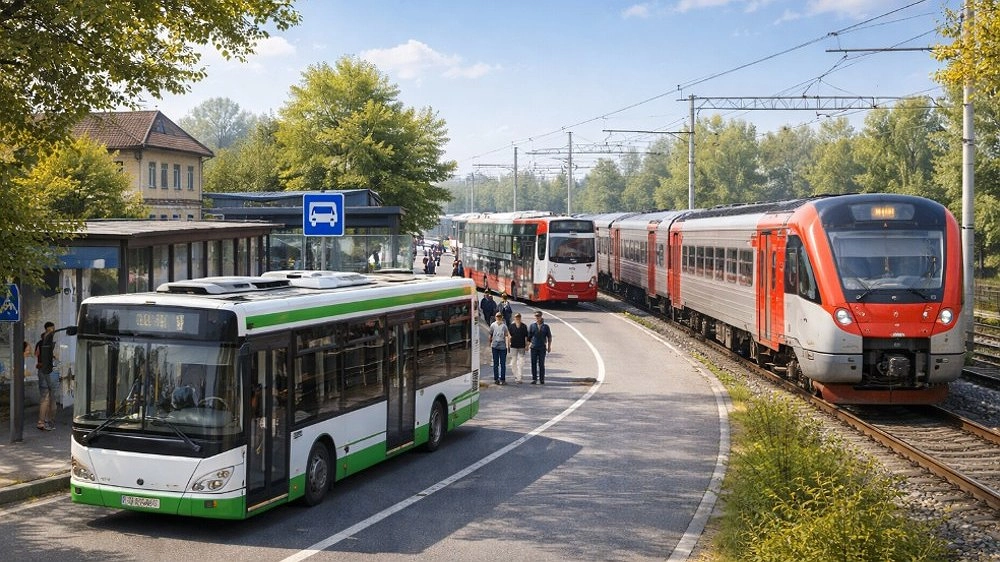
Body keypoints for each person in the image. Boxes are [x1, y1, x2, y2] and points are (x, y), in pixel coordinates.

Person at [35, 322, 58, 430]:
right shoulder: (53, 344)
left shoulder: (39, 343)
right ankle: (50, 422)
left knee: (44, 397)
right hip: (51, 371)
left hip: (41, 370)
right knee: (52, 397)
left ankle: (41, 422)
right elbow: (56, 358)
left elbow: (36, 354)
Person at [529, 311, 552, 385]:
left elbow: (549, 337)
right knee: (533, 363)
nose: (537, 317)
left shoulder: (545, 326)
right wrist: (527, 345)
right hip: (534, 347)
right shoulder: (532, 326)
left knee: (541, 363)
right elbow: (529, 336)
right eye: (536, 316)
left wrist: (549, 346)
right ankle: (534, 378)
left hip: (542, 347)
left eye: (538, 316)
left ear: (541, 316)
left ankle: (542, 379)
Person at [489, 312, 510, 385]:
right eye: (497, 316)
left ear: (502, 317)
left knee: (503, 363)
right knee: (495, 363)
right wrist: (490, 343)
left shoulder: (504, 326)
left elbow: (507, 335)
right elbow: (490, 334)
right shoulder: (493, 325)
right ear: (495, 317)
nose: (498, 318)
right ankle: (496, 378)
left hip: (502, 346)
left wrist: (508, 346)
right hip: (495, 345)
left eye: (500, 316)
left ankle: (503, 379)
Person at [507, 312, 529, 384]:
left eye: (519, 317)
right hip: (513, 346)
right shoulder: (512, 326)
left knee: (521, 362)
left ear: (520, 318)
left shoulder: (524, 326)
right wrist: (508, 345)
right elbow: (509, 336)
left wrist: (526, 345)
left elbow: (526, 336)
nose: (518, 318)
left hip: (521, 346)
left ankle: (520, 375)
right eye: (516, 317)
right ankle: (516, 375)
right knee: (513, 362)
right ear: (514, 318)